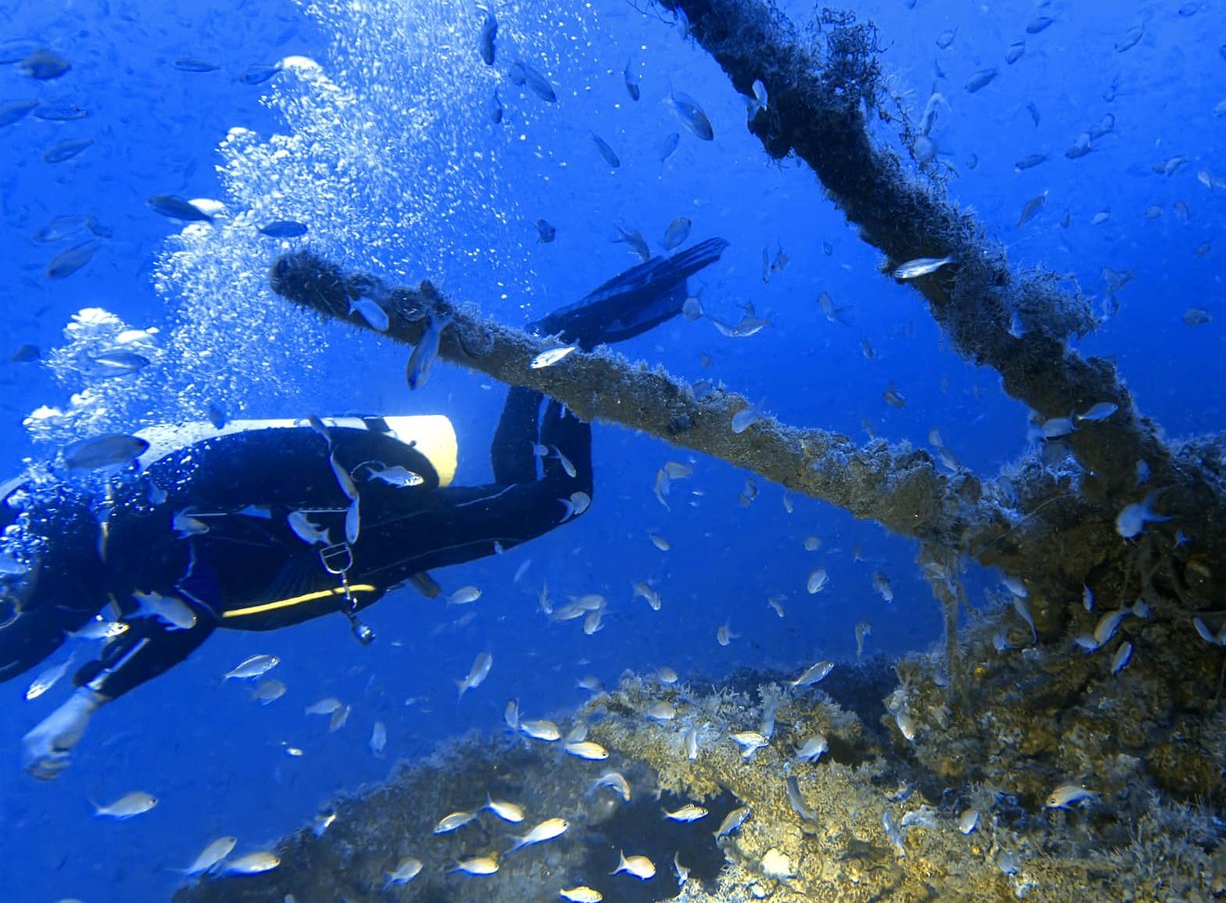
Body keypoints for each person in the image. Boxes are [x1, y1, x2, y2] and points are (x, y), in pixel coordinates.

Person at [0, 238, 727, 778]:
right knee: (527, 492)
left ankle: (564, 344)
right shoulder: (100, 541)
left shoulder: (127, 541)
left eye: (11, 589)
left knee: (556, 500)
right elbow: (57, 631)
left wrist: (88, 701)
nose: (16, 602)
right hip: (354, 527)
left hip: (363, 535)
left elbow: (198, 597)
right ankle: (554, 352)